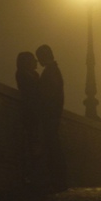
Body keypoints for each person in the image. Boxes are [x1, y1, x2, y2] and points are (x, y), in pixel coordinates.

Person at [35, 44, 67, 193]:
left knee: (52, 148)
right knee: (53, 148)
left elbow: (48, 94)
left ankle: (57, 181)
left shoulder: (50, 72)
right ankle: (59, 181)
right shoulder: (54, 70)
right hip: (53, 114)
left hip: (50, 115)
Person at [15, 52, 41, 187]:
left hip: (34, 114)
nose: (36, 62)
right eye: (33, 60)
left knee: (35, 145)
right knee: (33, 145)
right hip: (31, 115)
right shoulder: (24, 75)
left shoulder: (28, 75)